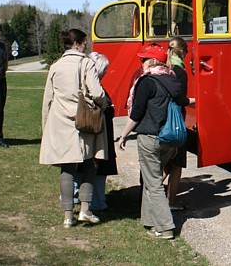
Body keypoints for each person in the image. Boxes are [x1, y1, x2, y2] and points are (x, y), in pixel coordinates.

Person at [40, 29, 109, 228]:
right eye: (85, 42)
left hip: (59, 122)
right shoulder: (86, 63)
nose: (87, 46)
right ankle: (85, 210)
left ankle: (68, 215)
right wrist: (103, 104)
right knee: (89, 165)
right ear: (78, 43)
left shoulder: (56, 66)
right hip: (83, 121)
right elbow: (96, 92)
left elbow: (47, 99)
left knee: (67, 169)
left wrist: (46, 127)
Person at [118, 43, 186, 240]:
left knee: (153, 183)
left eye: (144, 59)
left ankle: (165, 227)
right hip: (168, 138)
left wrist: (123, 135)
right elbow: (180, 102)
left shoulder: (147, 81)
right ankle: (149, 221)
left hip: (149, 136)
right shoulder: (173, 79)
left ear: (154, 60)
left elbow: (137, 112)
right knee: (151, 181)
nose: (141, 62)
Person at [163, 37, 195, 211]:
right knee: (176, 164)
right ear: (182, 52)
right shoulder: (180, 72)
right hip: (175, 121)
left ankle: (147, 196)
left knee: (164, 161)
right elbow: (179, 99)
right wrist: (193, 100)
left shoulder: (164, 68)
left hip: (161, 119)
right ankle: (171, 201)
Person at [88, 52, 117, 212]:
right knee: (98, 168)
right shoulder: (96, 89)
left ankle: (98, 199)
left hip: (101, 132)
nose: (106, 73)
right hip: (100, 133)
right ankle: (97, 201)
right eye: (104, 70)